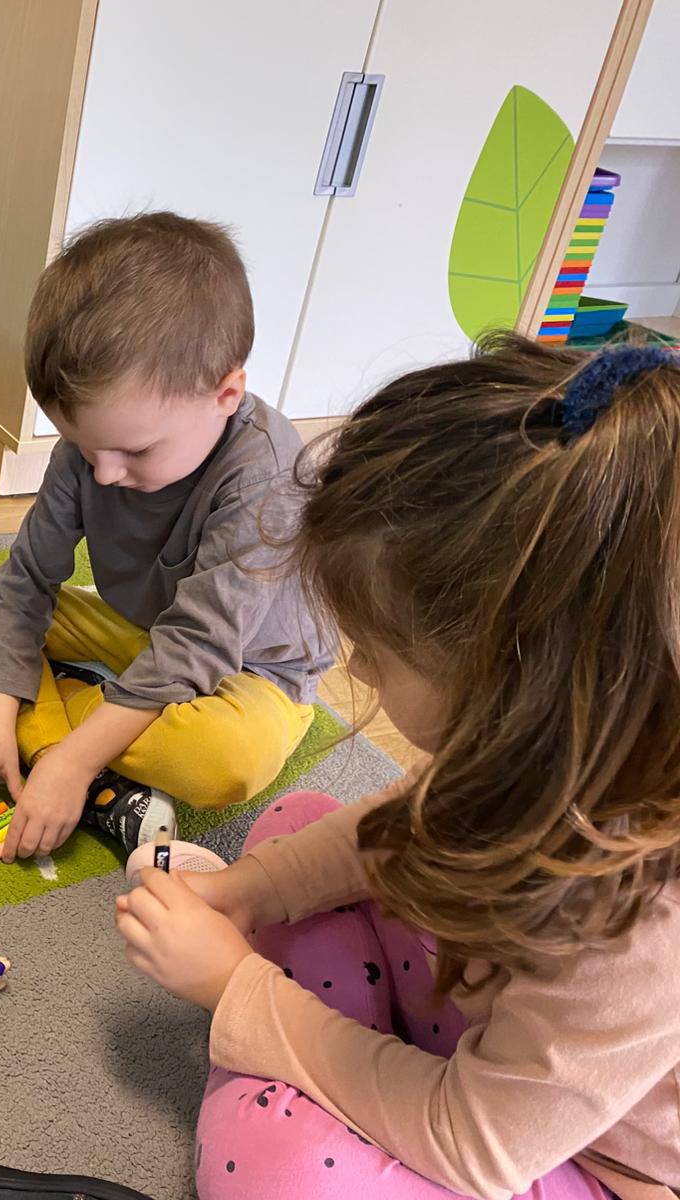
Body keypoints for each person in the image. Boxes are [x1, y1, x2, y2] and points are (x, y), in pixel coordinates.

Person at [117, 335, 680, 1200]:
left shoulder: (645, 925)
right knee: (301, 829)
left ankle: (300, 1079)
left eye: (376, 652)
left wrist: (237, 991)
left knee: (281, 1173)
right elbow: (399, 830)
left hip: (583, 1163)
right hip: (507, 1039)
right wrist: (246, 893)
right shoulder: (563, 748)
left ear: (510, 685)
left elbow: (474, 1144)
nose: (359, 669)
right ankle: (322, 1065)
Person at [0, 213, 332, 861]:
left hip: (251, 671)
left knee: (228, 760)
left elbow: (197, 645)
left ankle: (57, 730)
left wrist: (71, 763)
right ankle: (56, 730)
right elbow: (27, 578)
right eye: (85, 447)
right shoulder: (98, 447)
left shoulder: (265, 474)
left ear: (226, 394)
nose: (105, 474)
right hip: (142, 631)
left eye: (135, 452)